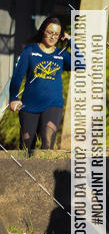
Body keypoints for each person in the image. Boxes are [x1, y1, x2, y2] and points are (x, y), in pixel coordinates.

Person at [9, 16, 75, 155]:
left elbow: (81, 64)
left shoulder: (61, 54)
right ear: (43, 31)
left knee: (47, 143)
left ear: (60, 36)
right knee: (26, 148)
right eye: (49, 32)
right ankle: (25, 175)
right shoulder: (30, 51)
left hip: (53, 104)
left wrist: (70, 41)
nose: (52, 37)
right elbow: (17, 77)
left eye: (56, 34)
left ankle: (44, 177)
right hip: (29, 105)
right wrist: (13, 97)